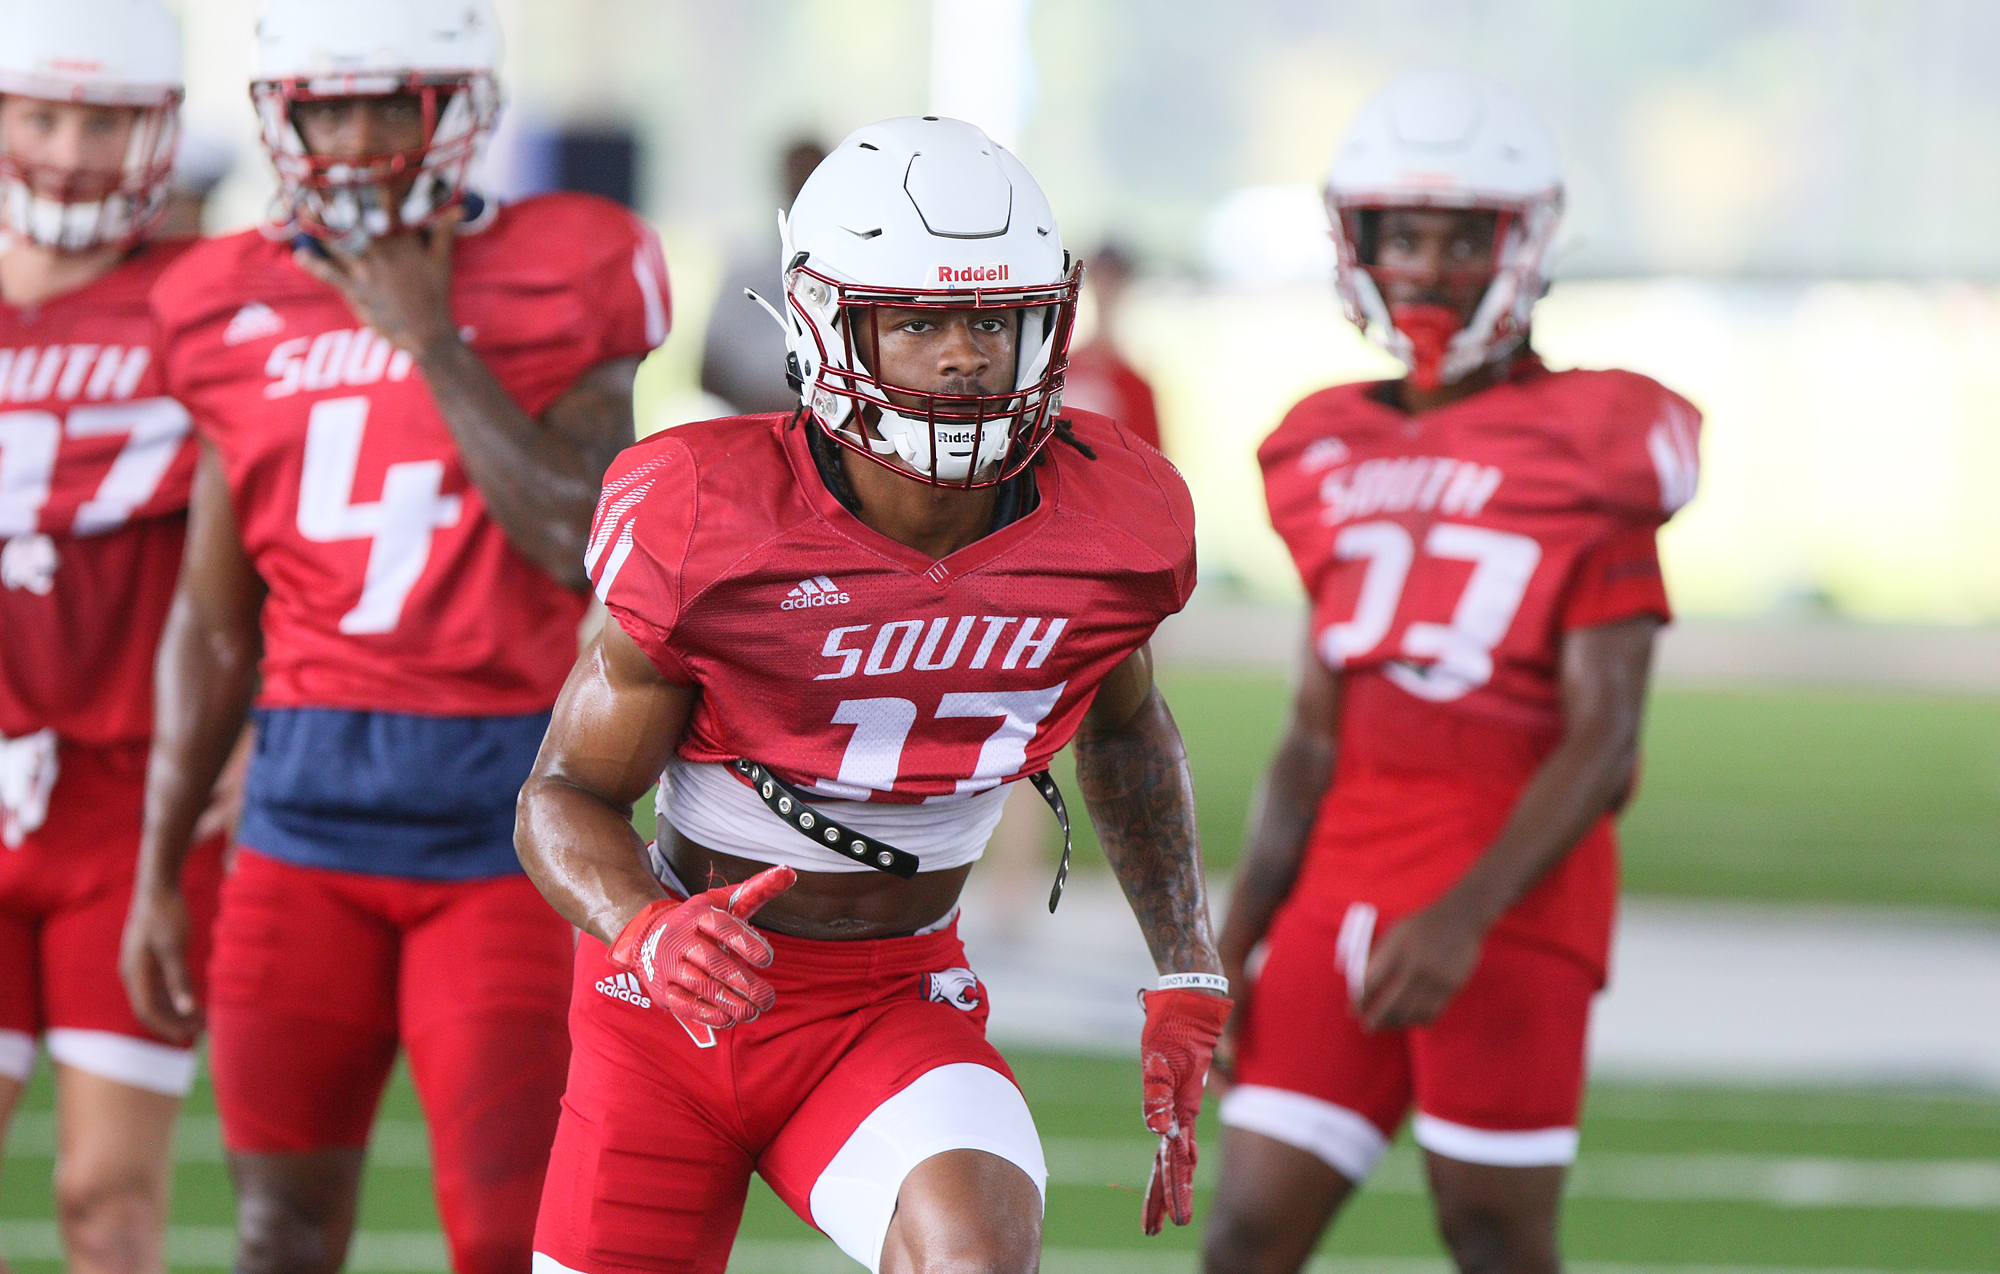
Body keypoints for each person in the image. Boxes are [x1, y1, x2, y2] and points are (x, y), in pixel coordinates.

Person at [517, 116, 1231, 1274]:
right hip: (667, 1010)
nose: (961, 357)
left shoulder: (1111, 518)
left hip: (893, 996)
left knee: (975, 1258)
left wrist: (1184, 956)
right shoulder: (708, 511)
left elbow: (1125, 723)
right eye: (916, 321)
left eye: (991, 322)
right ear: (823, 322)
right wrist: (645, 928)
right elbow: (560, 794)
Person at [119, 3, 671, 1272]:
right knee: (277, 1232)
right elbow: (212, 622)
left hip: (507, 821)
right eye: (328, 106)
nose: (359, 138)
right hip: (300, 815)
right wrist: (159, 863)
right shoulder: (216, 295)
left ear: (459, 106)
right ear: (282, 116)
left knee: (503, 1236)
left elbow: (584, 537)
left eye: (392, 103)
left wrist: (428, 335)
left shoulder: (570, 262)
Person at [1203, 70, 1702, 1274]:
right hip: (1338, 888)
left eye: (1455, 235)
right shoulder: (1322, 439)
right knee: (1247, 1233)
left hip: (1507, 897)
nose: (1422, 265)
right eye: (1397, 233)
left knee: (1489, 1234)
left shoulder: (1591, 441)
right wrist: (1229, 939)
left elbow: (1605, 736)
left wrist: (1464, 913)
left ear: (1518, 242)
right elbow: (1311, 732)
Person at [0, 5, 231, 1272]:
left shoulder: (202, 302)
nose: (72, 149)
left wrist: (256, 726)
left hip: (132, 792)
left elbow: (278, 540)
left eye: (103, 118)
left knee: (108, 1194)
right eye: (41, 113)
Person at [698, 137, 826, 415]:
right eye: (798, 175)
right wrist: (763, 408)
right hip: (755, 426)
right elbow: (707, 372)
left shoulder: (851, 270)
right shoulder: (747, 269)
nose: (803, 185)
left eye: (814, 175)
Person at [1060, 241, 1160, 451]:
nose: (1106, 289)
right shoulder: (1063, 371)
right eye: (1101, 278)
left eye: (1113, 280)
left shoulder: (1137, 387)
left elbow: (1153, 467)